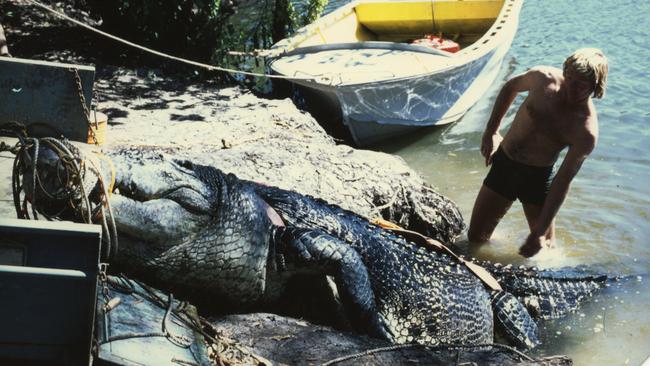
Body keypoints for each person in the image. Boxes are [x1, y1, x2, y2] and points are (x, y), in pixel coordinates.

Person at [467, 48, 608, 257]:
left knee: (545, 251)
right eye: (569, 78)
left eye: (580, 85)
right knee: (476, 238)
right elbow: (510, 87)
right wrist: (492, 131)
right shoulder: (543, 78)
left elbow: (563, 181)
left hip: (537, 180)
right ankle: (497, 254)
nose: (571, 87)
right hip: (505, 164)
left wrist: (540, 232)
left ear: (596, 86)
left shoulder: (585, 130)